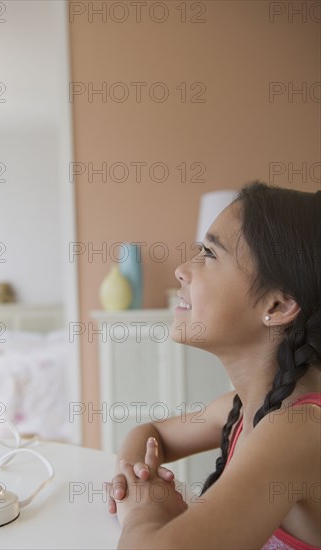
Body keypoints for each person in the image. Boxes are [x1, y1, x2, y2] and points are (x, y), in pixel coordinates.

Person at [107, 181, 321, 549]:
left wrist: (143, 513)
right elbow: (149, 430)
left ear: (277, 307)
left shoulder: (299, 430)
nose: (180, 270)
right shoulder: (242, 408)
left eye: (209, 253)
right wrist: (134, 479)